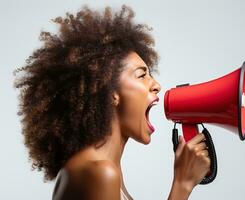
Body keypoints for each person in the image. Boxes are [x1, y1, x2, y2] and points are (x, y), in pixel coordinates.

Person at [14, 5, 211, 200]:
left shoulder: (103, 168)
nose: (157, 85)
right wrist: (182, 185)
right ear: (110, 92)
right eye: (141, 75)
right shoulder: (100, 173)